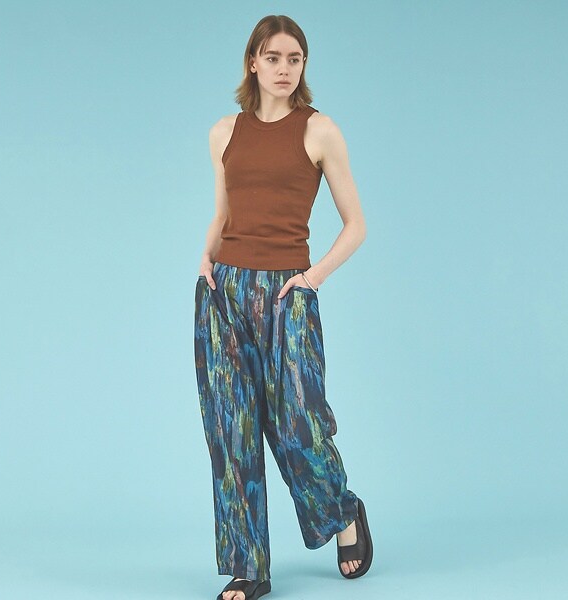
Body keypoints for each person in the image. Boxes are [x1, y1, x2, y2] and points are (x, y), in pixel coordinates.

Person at [193, 14, 373, 600]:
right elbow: (223, 213)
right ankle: (248, 568)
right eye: (273, 57)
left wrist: (311, 279)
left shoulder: (319, 131)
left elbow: (356, 225)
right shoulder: (224, 132)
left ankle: (343, 512)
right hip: (224, 291)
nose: (284, 69)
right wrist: (205, 261)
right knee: (231, 431)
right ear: (253, 62)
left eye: (294, 59)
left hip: (285, 293)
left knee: (298, 425)